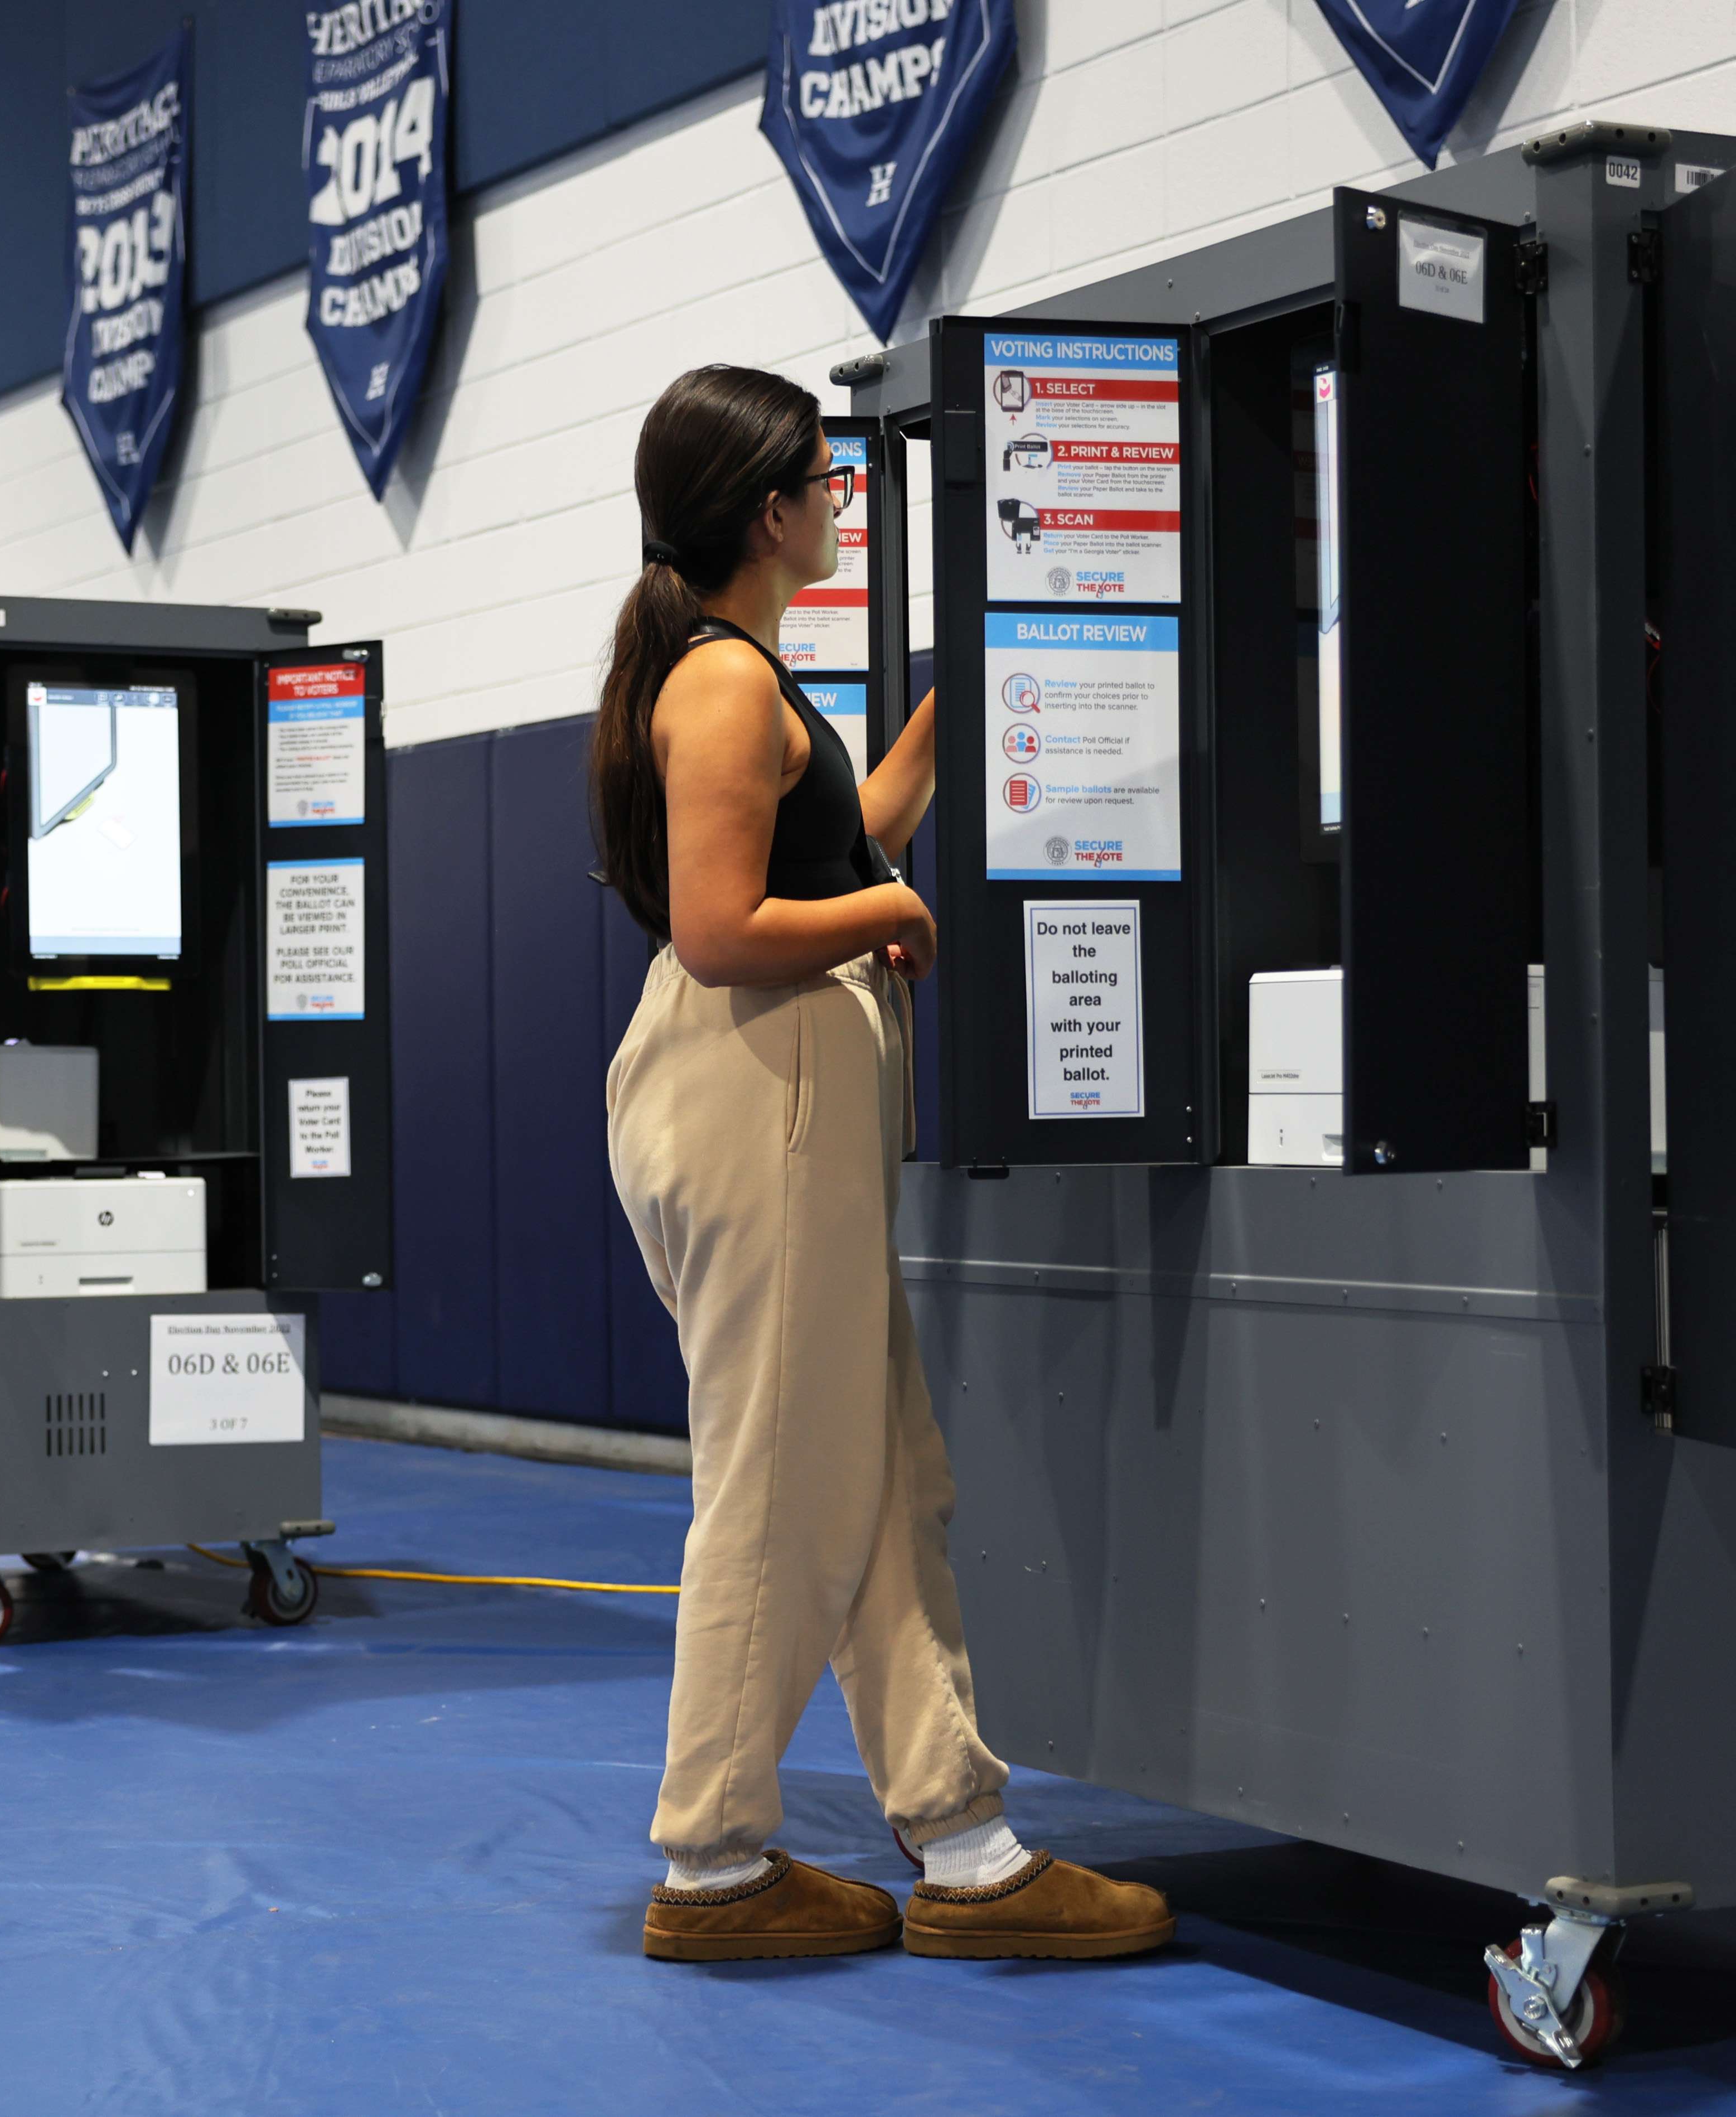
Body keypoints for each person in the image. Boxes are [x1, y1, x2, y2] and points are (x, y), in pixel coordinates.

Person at [595, 367, 1174, 1964]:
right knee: (784, 1479)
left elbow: (846, 831)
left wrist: (976, 687)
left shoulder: (743, 676)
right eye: (822, 483)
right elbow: (724, 930)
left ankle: (964, 1840)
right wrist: (890, 918)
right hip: (755, 1086)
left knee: (883, 1467)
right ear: (768, 511)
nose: (838, 504)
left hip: (777, 1090)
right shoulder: (718, 685)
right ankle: (710, 1861)